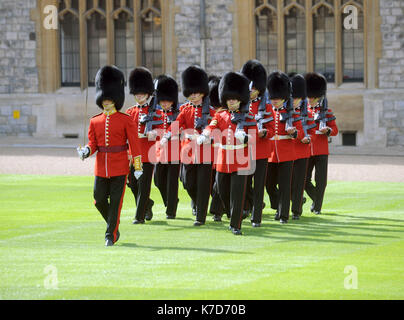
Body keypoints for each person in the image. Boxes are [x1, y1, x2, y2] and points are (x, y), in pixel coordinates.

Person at [77, 65, 137, 247]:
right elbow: (93, 143)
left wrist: (139, 167)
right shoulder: (95, 121)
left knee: (116, 203)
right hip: (101, 167)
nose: (106, 102)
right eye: (104, 99)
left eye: (109, 100)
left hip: (120, 166)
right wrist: (86, 151)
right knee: (99, 200)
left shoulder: (125, 119)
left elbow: (135, 145)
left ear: (115, 100)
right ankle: (114, 226)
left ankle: (110, 235)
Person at [199, 72, 258, 235]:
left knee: (237, 195)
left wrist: (245, 138)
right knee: (223, 191)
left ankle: (235, 225)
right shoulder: (220, 115)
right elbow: (212, 126)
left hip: (240, 160)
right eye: (229, 98)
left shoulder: (249, 117)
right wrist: (205, 134)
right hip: (223, 159)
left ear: (241, 99)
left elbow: (254, 138)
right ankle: (233, 214)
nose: (231, 101)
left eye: (235, 98)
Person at [163, 65, 215, 226]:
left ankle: (200, 217)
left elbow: (215, 126)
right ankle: (198, 203)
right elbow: (177, 124)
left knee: (203, 184)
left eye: (196, 93)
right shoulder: (185, 109)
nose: (193, 96)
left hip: (205, 152)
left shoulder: (211, 111)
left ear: (202, 92)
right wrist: (168, 134)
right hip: (188, 152)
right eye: (190, 93)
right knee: (188, 183)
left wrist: (206, 136)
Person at [265, 71, 304, 224]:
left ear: (284, 97)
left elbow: (301, 132)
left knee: (285, 185)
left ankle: (283, 215)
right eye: (273, 97)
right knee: (269, 183)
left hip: (287, 152)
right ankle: (277, 205)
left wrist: (294, 133)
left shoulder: (292, 114)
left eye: (278, 98)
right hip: (270, 153)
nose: (274, 101)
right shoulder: (267, 112)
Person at [240, 60, 274, 227]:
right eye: (250, 88)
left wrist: (264, 132)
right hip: (245, 150)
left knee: (259, 185)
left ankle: (256, 218)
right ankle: (246, 208)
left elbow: (272, 129)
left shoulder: (266, 106)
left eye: (254, 88)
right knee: (244, 183)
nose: (252, 91)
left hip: (260, 150)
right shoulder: (241, 105)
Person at [126, 67, 157, 224]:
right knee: (132, 183)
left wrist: (154, 134)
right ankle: (147, 204)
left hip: (148, 154)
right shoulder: (130, 112)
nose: (139, 96)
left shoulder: (156, 111)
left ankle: (139, 217)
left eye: (142, 94)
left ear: (148, 93)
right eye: (137, 94)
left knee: (144, 186)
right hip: (135, 155)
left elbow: (163, 130)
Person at [304, 72, 339, 215]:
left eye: (313, 97)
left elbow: (335, 130)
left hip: (322, 150)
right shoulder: (303, 112)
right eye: (309, 97)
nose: (310, 99)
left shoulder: (327, 111)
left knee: (321, 181)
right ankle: (317, 200)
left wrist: (328, 130)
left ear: (318, 97)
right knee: (304, 180)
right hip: (307, 149)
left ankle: (317, 207)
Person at [152, 75, 181, 219]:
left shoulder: (178, 114)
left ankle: (171, 210)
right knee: (158, 180)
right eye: (162, 100)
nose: (164, 103)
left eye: (167, 101)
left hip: (175, 153)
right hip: (159, 153)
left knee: (172, 182)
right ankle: (171, 201)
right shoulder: (156, 114)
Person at [289, 73, 316, 220]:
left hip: (302, 151)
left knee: (299, 182)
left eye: (297, 98)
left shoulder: (308, 114)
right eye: (292, 97)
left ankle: (296, 211)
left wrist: (307, 138)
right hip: (288, 151)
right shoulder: (285, 113)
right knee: (287, 183)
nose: (294, 101)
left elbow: (312, 133)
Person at [207, 75, 227, 222]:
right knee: (215, 183)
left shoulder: (224, 114)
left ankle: (217, 211)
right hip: (212, 152)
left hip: (225, 153)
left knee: (219, 183)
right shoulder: (214, 113)